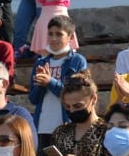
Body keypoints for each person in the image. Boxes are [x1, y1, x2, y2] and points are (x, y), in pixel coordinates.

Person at [28, 16, 86, 149]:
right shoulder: (40, 62)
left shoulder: (77, 61)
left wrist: (50, 82)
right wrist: (41, 85)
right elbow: (33, 99)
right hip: (42, 128)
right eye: (50, 34)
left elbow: (77, 95)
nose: (53, 39)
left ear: (71, 37)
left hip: (67, 126)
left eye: (59, 34)